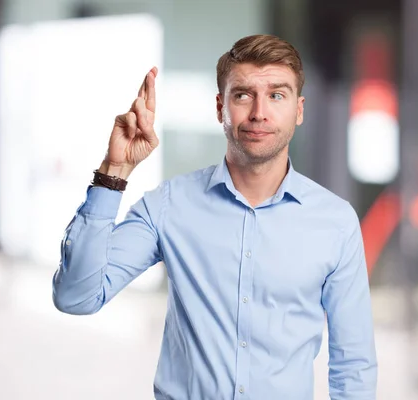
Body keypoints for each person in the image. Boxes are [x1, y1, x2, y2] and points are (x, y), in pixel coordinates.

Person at [52, 34, 378, 400]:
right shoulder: (169, 205)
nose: (259, 112)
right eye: (242, 95)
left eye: (276, 95)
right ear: (220, 106)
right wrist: (115, 170)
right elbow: (76, 297)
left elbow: (353, 365)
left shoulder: (335, 222)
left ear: (298, 110)